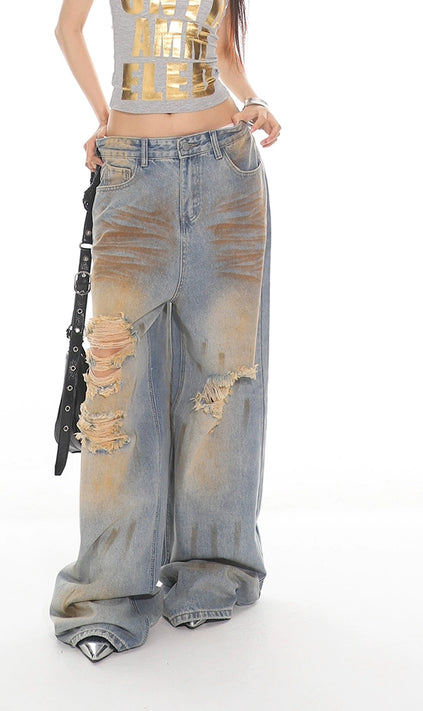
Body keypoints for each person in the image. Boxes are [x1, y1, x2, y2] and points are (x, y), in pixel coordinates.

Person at [49, 0, 281, 663]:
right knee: (114, 390)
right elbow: (67, 28)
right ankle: (108, 592)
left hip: (226, 167)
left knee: (224, 375)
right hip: (132, 171)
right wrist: (104, 117)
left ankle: (214, 571)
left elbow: (224, 50)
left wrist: (254, 98)